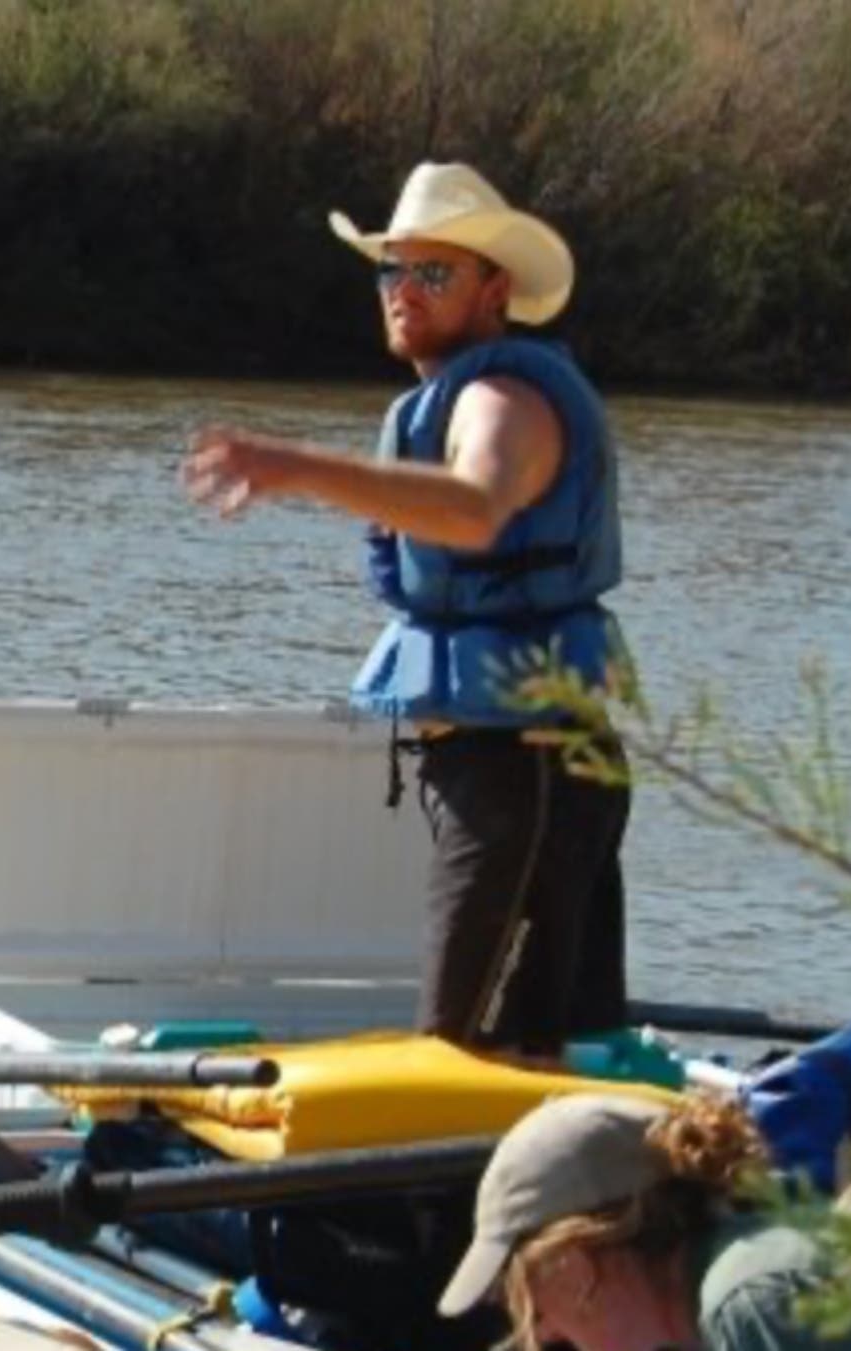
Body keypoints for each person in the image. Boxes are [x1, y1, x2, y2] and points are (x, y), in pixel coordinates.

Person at [179, 161, 632, 1060]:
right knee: (529, 1044)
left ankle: (471, 1200)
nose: (404, 293)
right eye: (394, 271)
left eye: (435, 273)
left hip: (527, 779)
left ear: (496, 291)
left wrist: (294, 467)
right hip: (506, 774)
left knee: (470, 1055)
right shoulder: (449, 396)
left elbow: (473, 507)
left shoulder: (504, 397)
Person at [440, 1092, 851, 1350]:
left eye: (534, 1303)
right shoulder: (738, 1267)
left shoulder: (752, 1296)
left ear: (576, 1258)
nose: (545, 1335)